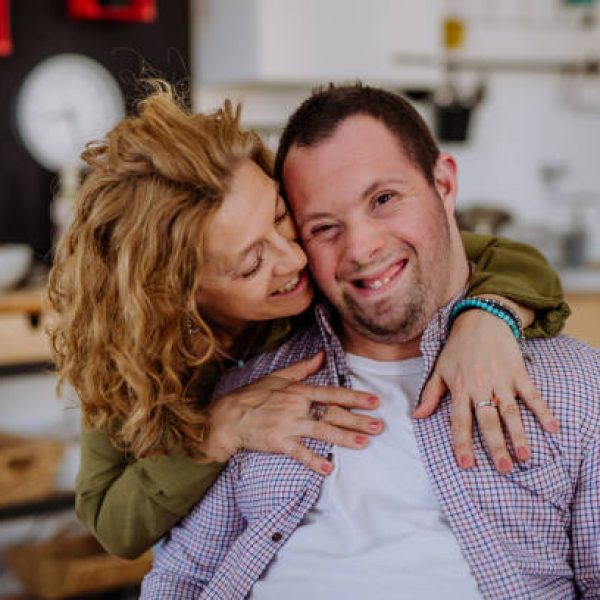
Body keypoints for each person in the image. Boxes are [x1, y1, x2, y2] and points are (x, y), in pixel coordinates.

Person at [46, 82, 568, 561]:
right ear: (179, 297)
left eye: (279, 215)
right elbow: (111, 524)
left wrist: (490, 315)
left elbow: (503, 256)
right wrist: (217, 432)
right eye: (251, 263)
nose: (293, 260)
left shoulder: (321, 264)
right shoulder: (131, 354)